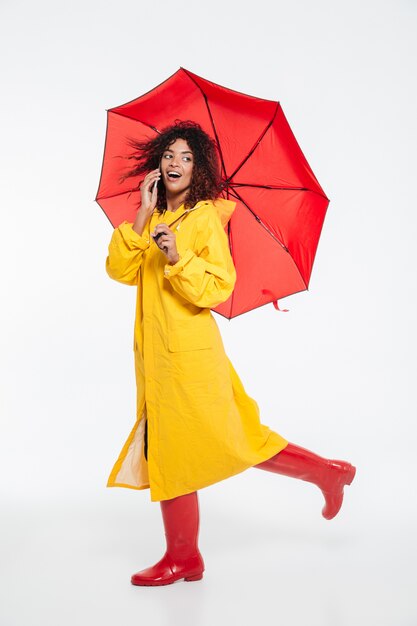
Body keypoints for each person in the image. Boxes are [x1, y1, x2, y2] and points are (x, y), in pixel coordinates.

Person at [105, 120, 356, 587]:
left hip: (190, 357)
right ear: (156, 164)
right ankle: (326, 473)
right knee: (207, 443)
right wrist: (142, 213)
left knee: (215, 444)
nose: (175, 164)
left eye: (186, 157)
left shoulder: (202, 220)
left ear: (198, 169)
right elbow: (119, 270)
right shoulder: (156, 217)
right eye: (169, 155)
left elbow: (220, 285)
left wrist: (180, 257)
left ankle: (186, 556)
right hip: (158, 357)